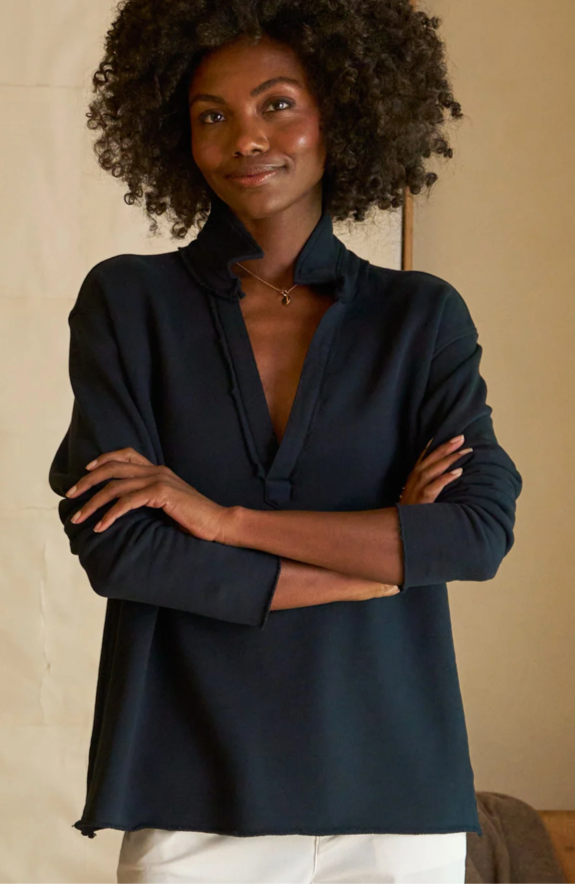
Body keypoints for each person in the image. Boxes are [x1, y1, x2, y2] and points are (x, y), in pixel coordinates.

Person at [48, 2, 523, 882]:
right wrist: (377, 562)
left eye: (277, 104)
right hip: (192, 789)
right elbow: (124, 552)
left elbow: (473, 534)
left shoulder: (420, 319)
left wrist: (221, 520)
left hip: (396, 790)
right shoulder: (128, 304)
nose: (245, 139)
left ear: (340, 109)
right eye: (211, 115)